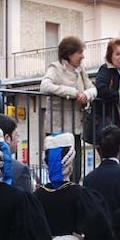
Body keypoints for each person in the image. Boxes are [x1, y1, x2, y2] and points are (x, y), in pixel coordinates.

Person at [39, 35, 98, 173]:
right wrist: (73, 93)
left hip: (75, 129)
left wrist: (86, 95)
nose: (82, 56)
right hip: (57, 129)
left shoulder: (81, 70)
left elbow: (93, 88)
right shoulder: (55, 68)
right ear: (69, 54)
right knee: (57, 169)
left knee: (75, 169)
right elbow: (45, 86)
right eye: (80, 53)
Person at [93, 38, 120, 139]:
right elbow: (101, 88)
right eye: (117, 54)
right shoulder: (105, 69)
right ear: (110, 56)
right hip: (109, 117)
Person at [0, 113, 34, 192]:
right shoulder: (20, 171)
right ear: (7, 138)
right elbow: (26, 202)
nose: (18, 139)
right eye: (16, 135)